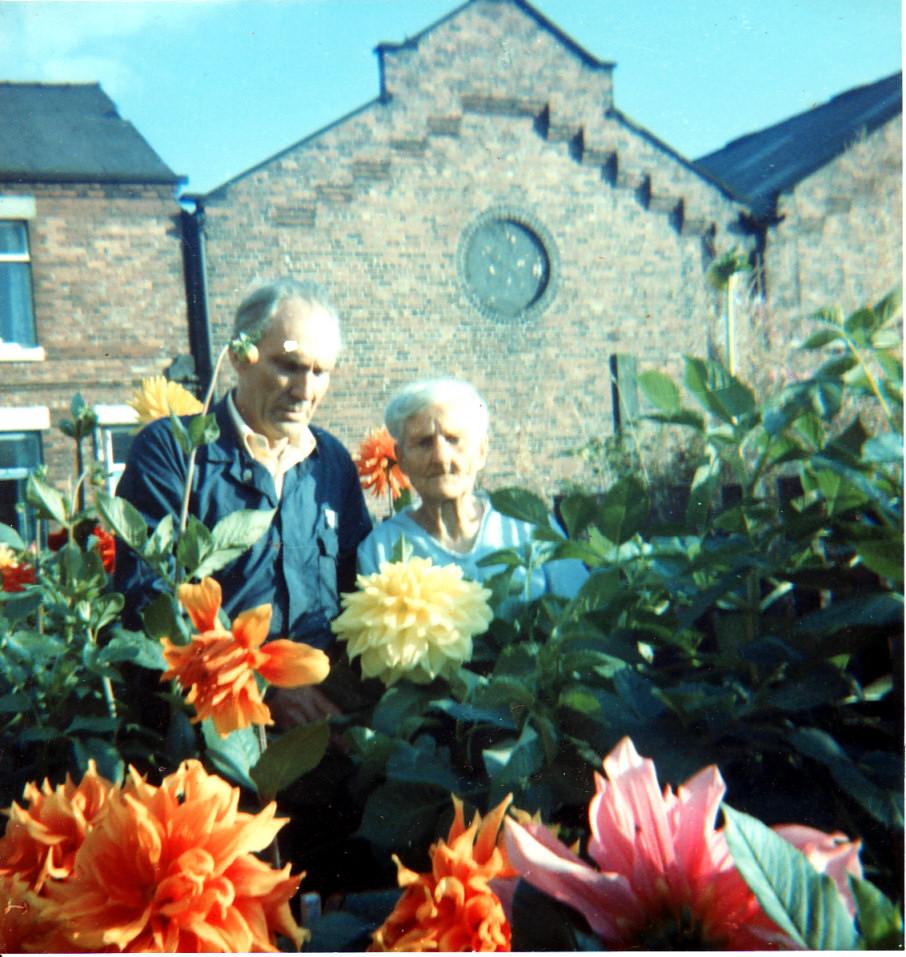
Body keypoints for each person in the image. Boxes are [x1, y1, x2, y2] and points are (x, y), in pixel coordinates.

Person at [114, 278, 372, 724]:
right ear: (237, 356)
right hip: (214, 717)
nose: (305, 390)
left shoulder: (331, 463)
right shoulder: (176, 451)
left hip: (324, 713)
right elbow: (147, 600)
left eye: (320, 371)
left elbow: (359, 591)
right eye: (289, 365)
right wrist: (262, 687)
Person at [356, 378, 586, 601]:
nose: (441, 458)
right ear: (401, 458)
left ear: (481, 451)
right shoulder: (381, 550)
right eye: (424, 443)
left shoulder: (529, 527)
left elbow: (580, 619)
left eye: (454, 439)